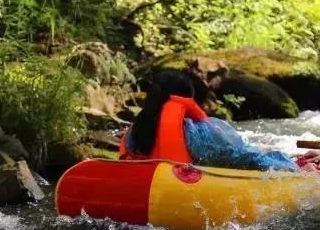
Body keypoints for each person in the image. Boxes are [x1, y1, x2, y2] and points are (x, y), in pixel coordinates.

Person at [120, 70, 299, 172]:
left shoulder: (134, 131)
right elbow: (244, 156)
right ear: (188, 100)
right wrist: (290, 167)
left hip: (144, 192)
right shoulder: (196, 132)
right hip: (180, 198)